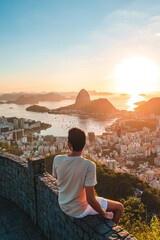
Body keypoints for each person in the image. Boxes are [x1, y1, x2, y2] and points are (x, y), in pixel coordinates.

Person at [52, 128, 124, 224]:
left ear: (69, 145)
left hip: (63, 204)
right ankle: (112, 234)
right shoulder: (89, 165)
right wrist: (105, 214)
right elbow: (90, 199)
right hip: (79, 210)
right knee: (119, 207)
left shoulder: (57, 159)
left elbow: (58, 180)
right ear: (84, 144)